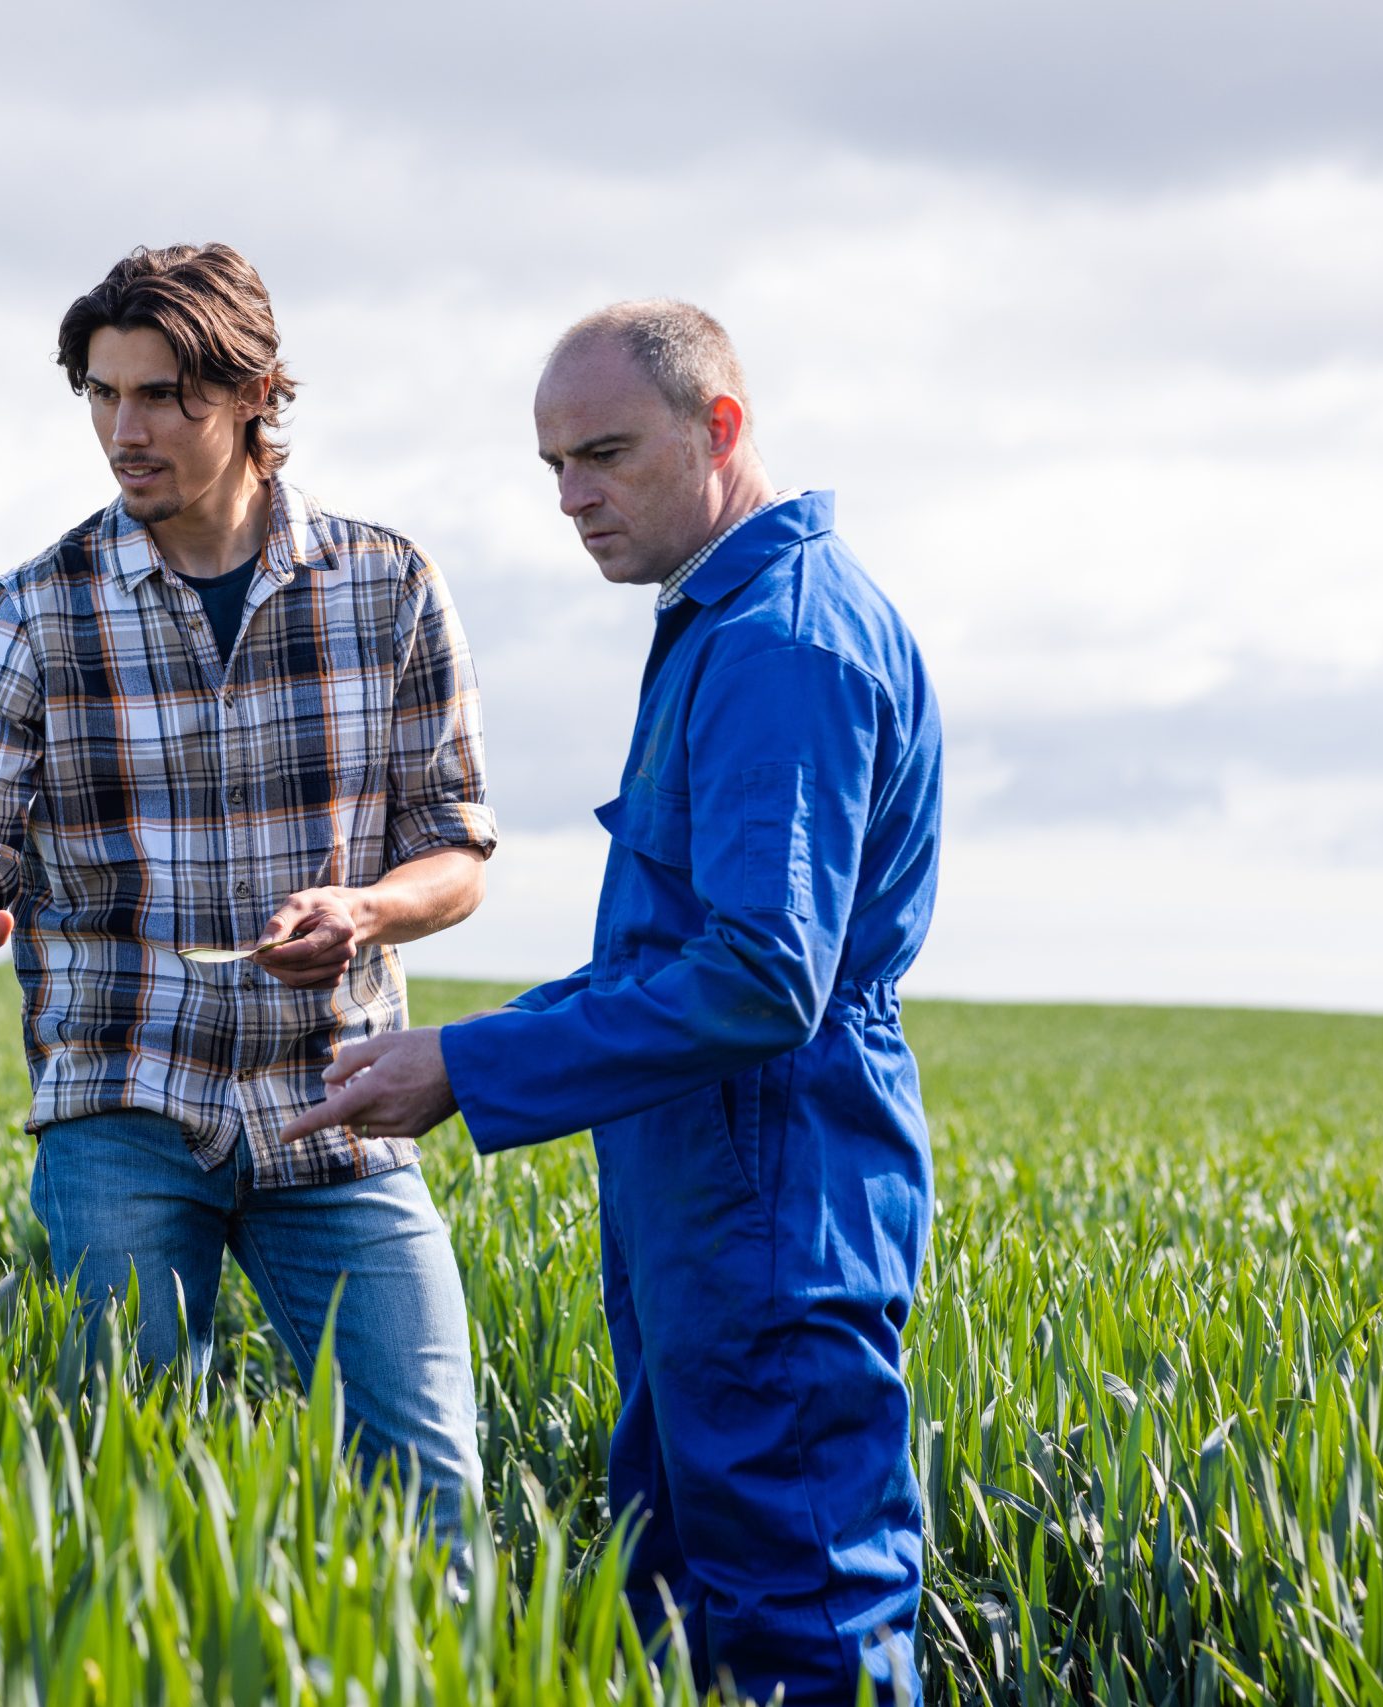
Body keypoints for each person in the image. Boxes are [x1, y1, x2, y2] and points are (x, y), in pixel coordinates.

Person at [281, 300, 943, 1698]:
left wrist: (468, 1072)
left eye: (607, 455)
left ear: (721, 430)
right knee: (688, 1605)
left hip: (775, 1183)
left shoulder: (783, 643)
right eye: (554, 468)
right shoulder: (720, 618)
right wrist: (464, 1047)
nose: (576, 499)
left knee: (800, 1617)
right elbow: (668, 951)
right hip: (699, 1189)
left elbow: (763, 974)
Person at [0, 243, 495, 1552]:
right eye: (101, 395)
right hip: (123, 1103)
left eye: (163, 398)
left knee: (433, 1488)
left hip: (339, 1102)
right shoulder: (34, 613)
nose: (123, 430)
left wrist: (368, 913)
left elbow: (456, 854)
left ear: (257, 395)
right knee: (125, 1505)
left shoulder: (389, 586)